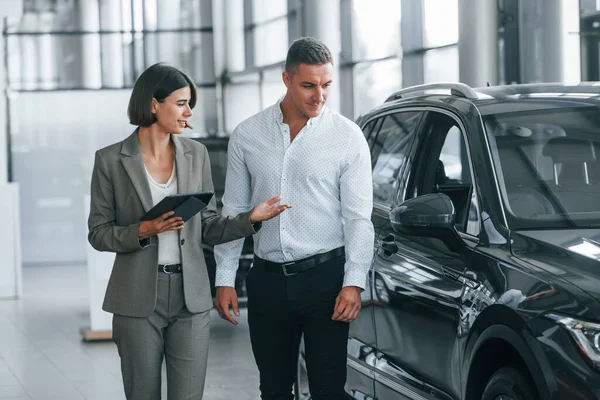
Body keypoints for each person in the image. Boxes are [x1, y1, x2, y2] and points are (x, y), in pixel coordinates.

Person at [87, 62, 289, 400]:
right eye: (181, 103)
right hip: (136, 299)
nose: (189, 112)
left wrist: (251, 218)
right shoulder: (110, 160)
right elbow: (98, 233)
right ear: (154, 104)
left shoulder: (196, 154)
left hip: (190, 297)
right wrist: (143, 229)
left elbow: (206, 226)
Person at [214, 37, 374, 400]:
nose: (319, 95)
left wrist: (354, 282)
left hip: (326, 281)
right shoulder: (248, 135)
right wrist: (225, 279)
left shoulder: (347, 137)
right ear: (286, 79)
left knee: (328, 389)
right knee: (273, 389)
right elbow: (234, 209)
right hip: (267, 281)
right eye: (308, 85)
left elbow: (358, 219)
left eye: (326, 85)